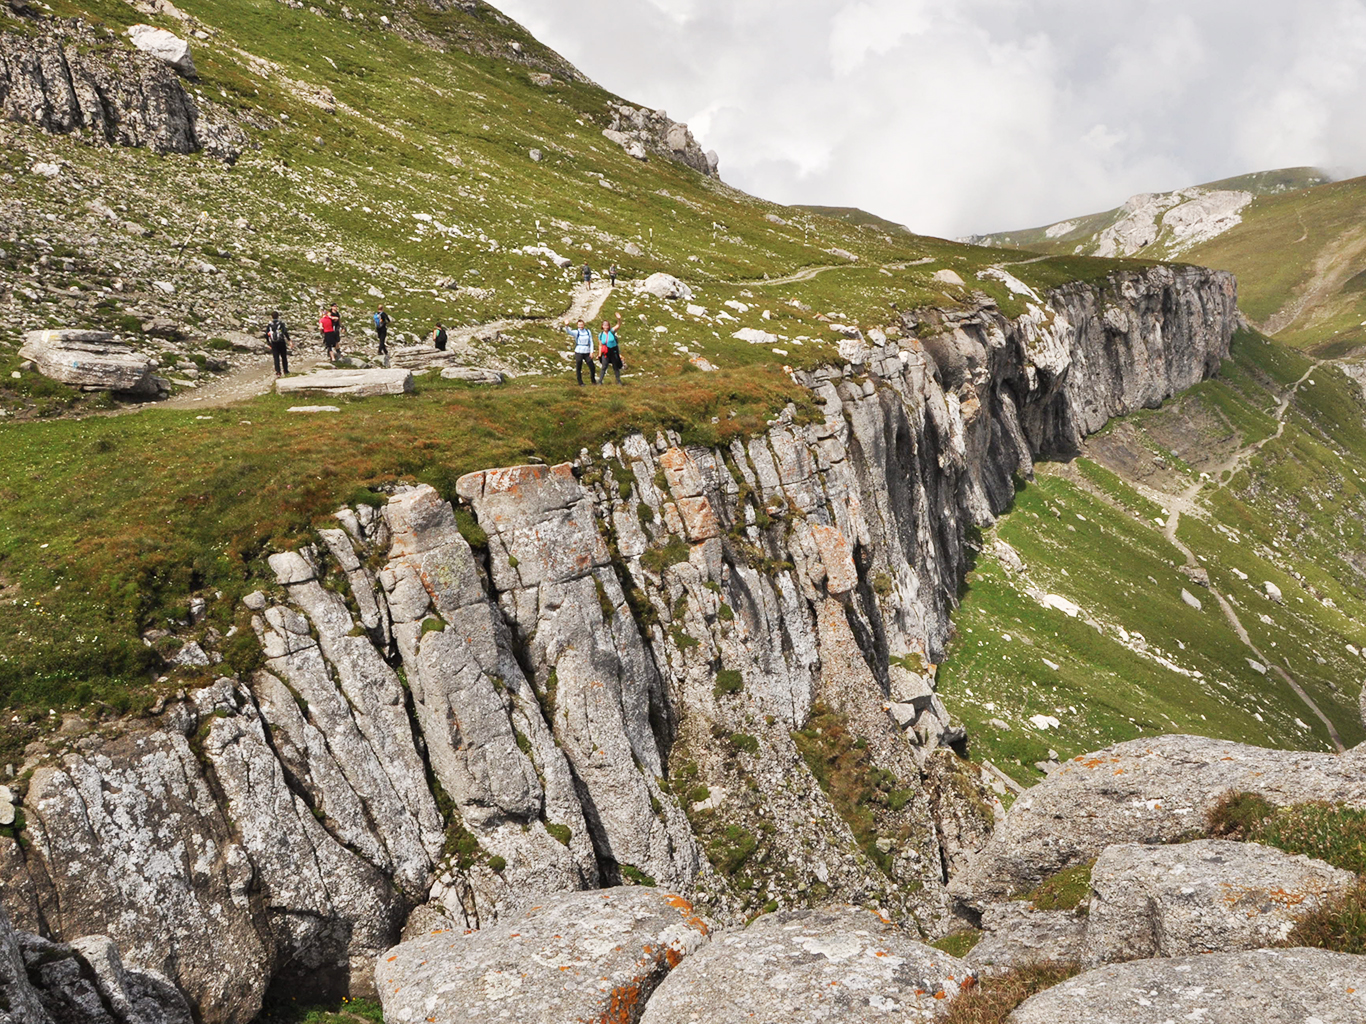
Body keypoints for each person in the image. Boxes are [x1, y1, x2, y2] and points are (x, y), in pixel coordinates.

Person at [564, 318, 596, 385]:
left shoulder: (588, 331)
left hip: (587, 350)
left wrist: (591, 351)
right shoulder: (576, 332)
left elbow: (591, 341)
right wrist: (566, 326)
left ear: (584, 324)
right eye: (579, 324)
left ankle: (593, 380)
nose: (581, 325)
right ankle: (580, 382)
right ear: (577, 325)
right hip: (579, 351)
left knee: (592, 366)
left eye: (582, 324)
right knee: (579, 366)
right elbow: (569, 332)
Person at [264, 310, 293, 377]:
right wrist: (289, 340)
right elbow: (285, 332)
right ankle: (286, 371)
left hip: (274, 343)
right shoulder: (281, 323)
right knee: (284, 357)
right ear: (278, 316)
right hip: (281, 342)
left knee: (276, 358)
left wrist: (269, 343)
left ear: (271, 316)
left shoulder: (269, 325)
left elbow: (266, 335)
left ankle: (278, 372)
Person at [597, 312, 623, 385]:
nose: (605, 326)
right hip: (605, 353)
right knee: (604, 367)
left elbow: (618, 325)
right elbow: (600, 345)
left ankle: (618, 381)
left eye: (607, 325)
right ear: (602, 326)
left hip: (613, 351)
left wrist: (619, 319)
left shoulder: (612, 331)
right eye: (604, 325)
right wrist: (599, 354)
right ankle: (600, 381)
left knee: (616, 367)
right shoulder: (600, 335)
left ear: (609, 326)